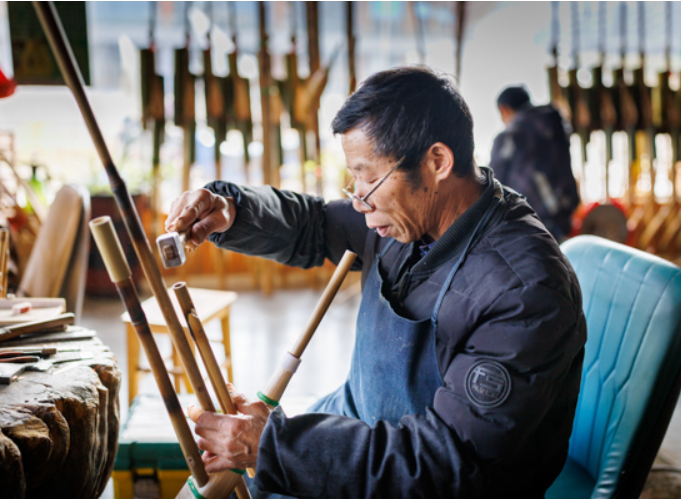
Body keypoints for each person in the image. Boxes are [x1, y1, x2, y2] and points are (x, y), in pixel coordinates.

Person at [168, 67, 587, 498]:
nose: (358, 198)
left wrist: (274, 445)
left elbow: (448, 463)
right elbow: (316, 224)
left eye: (368, 177)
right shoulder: (404, 215)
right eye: (355, 178)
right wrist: (233, 209)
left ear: (437, 162)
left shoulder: (523, 291)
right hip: (359, 429)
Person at [490, 85, 580, 241]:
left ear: (503, 109)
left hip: (532, 218)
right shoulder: (554, 125)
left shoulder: (511, 135)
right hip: (565, 212)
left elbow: (494, 183)